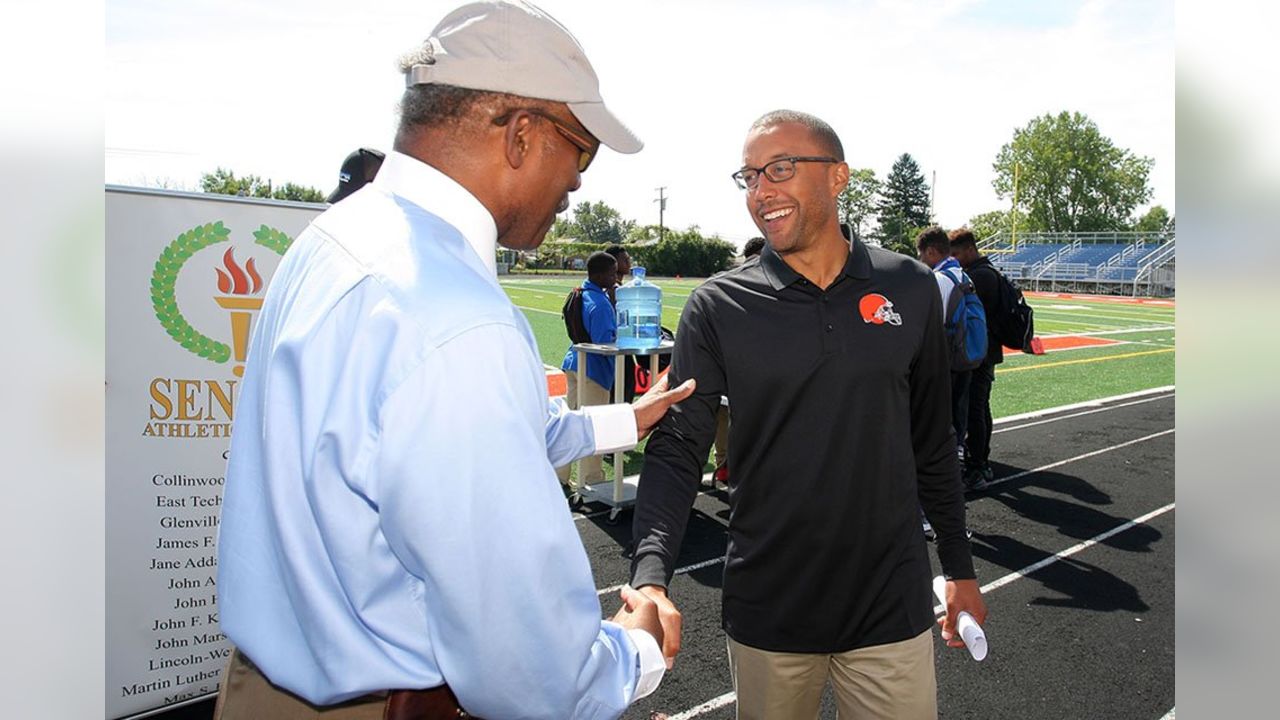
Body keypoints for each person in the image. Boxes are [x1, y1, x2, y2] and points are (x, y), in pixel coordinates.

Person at [215, 3, 696, 719]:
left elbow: (413, 445)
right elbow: (530, 670)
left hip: (264, 689)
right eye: (581, 150)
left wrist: (628, 418)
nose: (578, 183)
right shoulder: (457, 315)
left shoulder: (335, 238)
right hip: (385, 705)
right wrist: (638, 649)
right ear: (523, 134)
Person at [630, 110, 986, 720]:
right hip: (770, 606)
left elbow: (932, 439)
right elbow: (679, 447)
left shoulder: (910, 286)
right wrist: (650, 576)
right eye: (749, 176)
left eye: (781, 169)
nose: (761, 190)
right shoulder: (718, 304)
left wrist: (959, 566)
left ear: (839, 177)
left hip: (891, 602)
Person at [556, 251, 621, 499]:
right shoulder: (600, 303)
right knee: (593, 427)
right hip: (593, 369)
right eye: (612, 273)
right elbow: (606, 342)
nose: (615, 278)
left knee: (570, 423)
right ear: (600, 274)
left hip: (573, 361)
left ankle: (560, 475)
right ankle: (591, 481)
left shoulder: (579, 293)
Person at [709, 237, 766, 487]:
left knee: (727, 418)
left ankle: (726, 466)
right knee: (727, 418)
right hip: (732, 367)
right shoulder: (733, 285)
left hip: (737, 367)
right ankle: (726, 466)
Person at [949, 227, 1001, 491]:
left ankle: (978, 465)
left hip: (978, 353)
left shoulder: (979, 277)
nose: (954, 258)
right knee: (980, 407)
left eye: (957, 253)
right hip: (985, 351)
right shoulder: (988, 272)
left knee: (974, 409)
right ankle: (980, 460)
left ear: (970, 249)